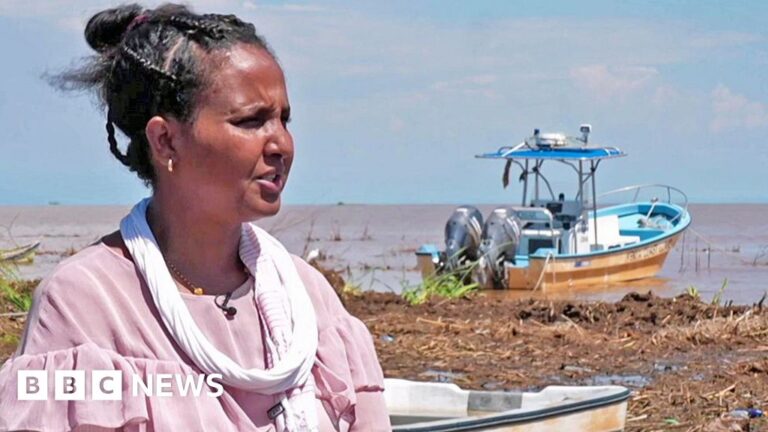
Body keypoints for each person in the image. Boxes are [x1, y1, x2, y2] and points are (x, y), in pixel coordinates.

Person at [0, 4, 391, 431]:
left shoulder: (308, 298)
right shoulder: (85, 303)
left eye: (284, 119)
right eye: (251, 121)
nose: (281, 144)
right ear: (165, 140)